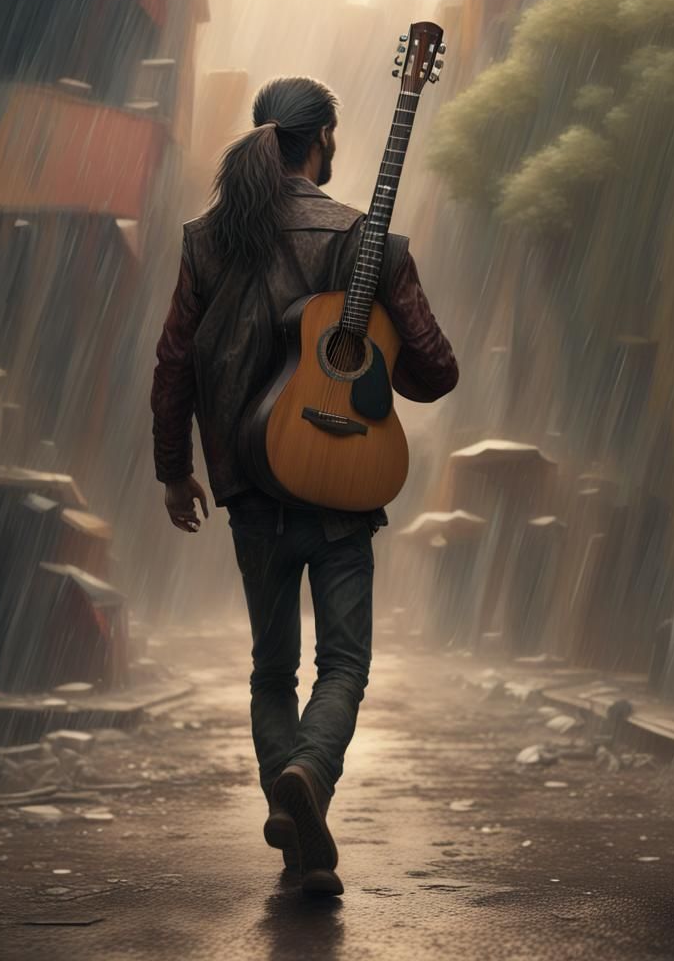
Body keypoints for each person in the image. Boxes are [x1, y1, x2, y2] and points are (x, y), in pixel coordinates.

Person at [151, 76, 457, 896]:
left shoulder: (207, 237)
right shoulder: (363, 237)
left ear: (262, 136)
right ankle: (312, 777)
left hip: (251, 487)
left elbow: (175, 359)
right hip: (344, 487)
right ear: (321, 139)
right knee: (344, 662)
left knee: (270, 670)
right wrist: (374, 355)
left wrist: (174, 468)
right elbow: (436, 368)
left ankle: (293, 823)